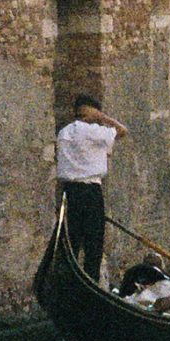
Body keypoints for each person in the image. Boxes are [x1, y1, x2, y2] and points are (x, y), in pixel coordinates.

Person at [54, 94, 126, 282]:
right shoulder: (93, 131)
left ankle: (67, 284)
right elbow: (122, 131)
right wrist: (102, 117)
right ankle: (91, 281)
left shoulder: (64, 132)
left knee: (73, 241)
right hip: (90, 192)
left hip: (69, 192)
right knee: (93, 244)